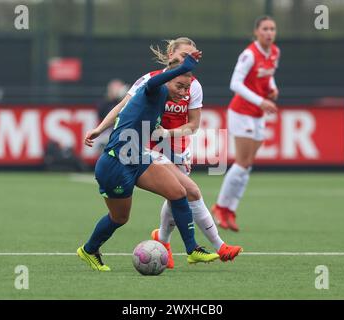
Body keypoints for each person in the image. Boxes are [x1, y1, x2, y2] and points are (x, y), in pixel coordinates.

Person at [91, 37, 242, 269]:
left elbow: (192, 125)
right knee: (129, 214)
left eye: (192, 60)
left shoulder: (185, 87)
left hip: (157, 149)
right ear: (173, 59)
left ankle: (178, 245)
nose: (184, 91)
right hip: (130, 154)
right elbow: (124, 105)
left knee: (178, 193)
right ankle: (214, 247)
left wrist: (168, 133)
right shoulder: (152, 84)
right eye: (184, 58)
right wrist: (101, 128)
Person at [212, 16, 280, 232]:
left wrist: (272, 88)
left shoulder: (275, 52)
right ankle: (220, 206)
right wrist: (261, 100)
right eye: (265, 29)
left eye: (272, 29)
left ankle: (230, 209)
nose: (269, 33)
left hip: (258, 114)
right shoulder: (249, 54)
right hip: (241, 112)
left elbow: (268, 77)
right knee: (242, 162)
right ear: (256, 32)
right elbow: (235, 83)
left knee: (248, 164)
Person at [95, 79, 129, 153]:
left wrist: (123, 98)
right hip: (107, 132)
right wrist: (113, 98)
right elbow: (103, 114)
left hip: (122, 133)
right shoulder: (104, 102)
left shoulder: (125, 101)